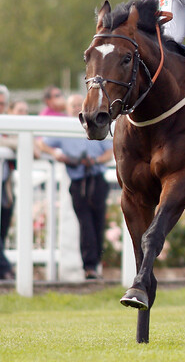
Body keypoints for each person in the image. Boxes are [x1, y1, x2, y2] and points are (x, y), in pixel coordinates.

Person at [38, 95, 113, 280]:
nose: (75, 108)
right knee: (85, 223)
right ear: (68, 108)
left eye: (78, 105)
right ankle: (89, 266)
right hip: (78, 181)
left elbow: (110, 151)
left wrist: (95, 160)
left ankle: (95, 264)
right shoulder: (63, 128)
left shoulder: (95, 123)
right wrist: (57, 153)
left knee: (98, 223)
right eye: (72, 105)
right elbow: (42, 143)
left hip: (96, 178)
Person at [0, 85, 15, 279]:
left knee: (3, 231)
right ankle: (6, 270)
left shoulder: (10, 123)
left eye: (2, 104)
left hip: (6, 188)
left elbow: (26, 144)